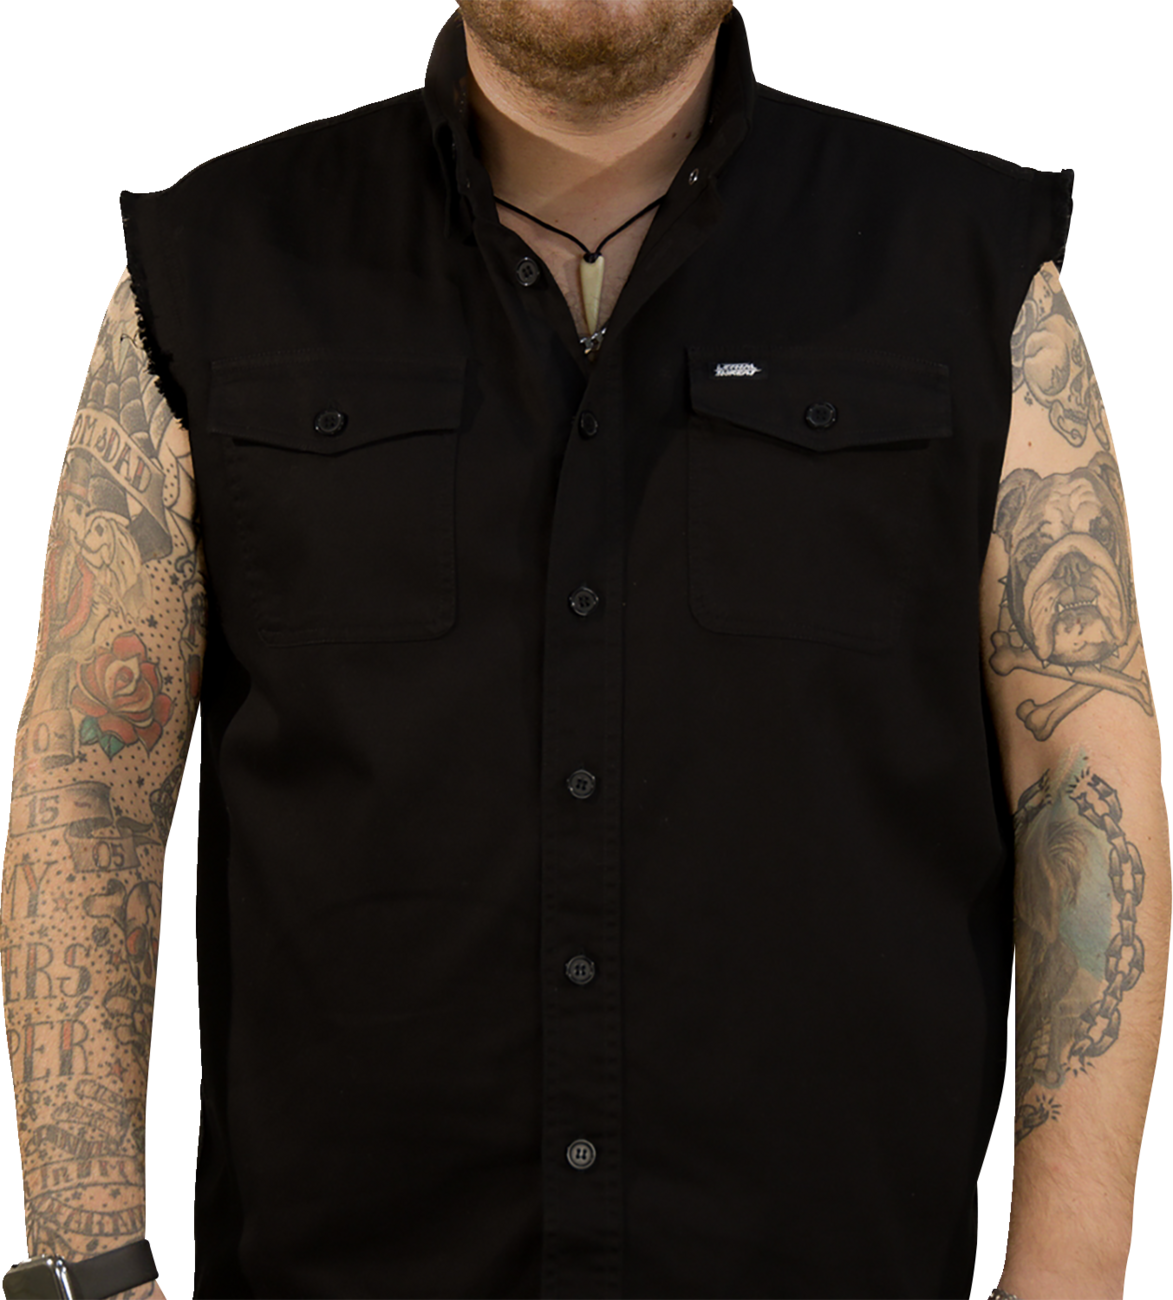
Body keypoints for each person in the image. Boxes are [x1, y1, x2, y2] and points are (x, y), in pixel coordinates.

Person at [2, 2, 1167, 1297]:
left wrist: (1068, 1274)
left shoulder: (969, 266)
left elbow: (1081, 766)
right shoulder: (213, 261)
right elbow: (88, 783)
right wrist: (89, 1266)